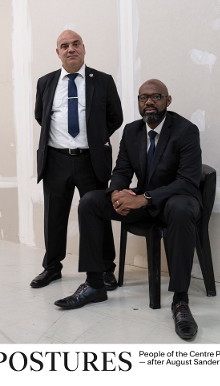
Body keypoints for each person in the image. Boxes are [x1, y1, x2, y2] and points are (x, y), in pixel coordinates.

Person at [54, 79, 203, 340]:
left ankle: (180, 300)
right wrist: (116, 193)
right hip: (142, 201)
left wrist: (144, 197)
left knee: (180, 209)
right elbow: (122, 170)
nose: (149, 102)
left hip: (175, 200)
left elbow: (187, 181)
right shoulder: (132, 131)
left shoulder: (186, 130)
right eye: (143, 97)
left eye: (156, 97)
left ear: (168, 101)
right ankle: (94, 284)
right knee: (91, 201)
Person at [30, 30, 123, 290]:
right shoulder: (45, 82)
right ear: (57, 52)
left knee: (97, 213)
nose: (70, 49)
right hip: (56, 159)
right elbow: (41, 116)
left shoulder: (102, 81)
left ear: (83, 48)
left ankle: (105, 268)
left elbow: (115, 117)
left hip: (90, 159)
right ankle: (52, 268)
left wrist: (93, 137)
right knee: (54, 216)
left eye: (75, 44)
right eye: (64, 46)